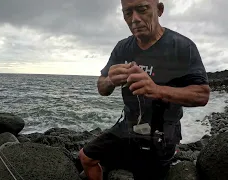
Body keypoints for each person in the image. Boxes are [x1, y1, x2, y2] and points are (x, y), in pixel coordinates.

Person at [79, 0, 210, 179]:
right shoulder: (122, 48)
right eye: (127, 13)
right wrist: (110, 80)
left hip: (163, 132)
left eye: (142, 10)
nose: (135, 19)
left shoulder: (181, 47)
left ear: (160, 9)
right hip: (127, 125)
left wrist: (156, 90)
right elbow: (102, 87)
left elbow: (202, 94)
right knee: (86, 158)